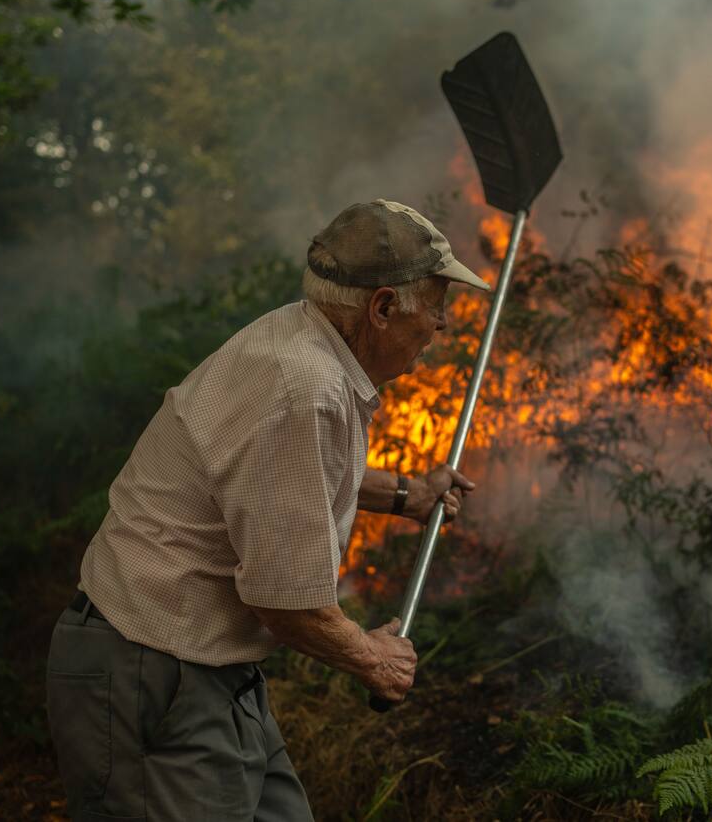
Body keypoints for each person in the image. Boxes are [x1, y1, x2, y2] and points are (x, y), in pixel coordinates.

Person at [46, 199, 488, 821]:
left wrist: (403, 494)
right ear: (382, 307)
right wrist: (371, 658)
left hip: (209, 670)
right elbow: (283, 599)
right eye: (436, 305)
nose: (442, 324)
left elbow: (283, 477)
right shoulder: (302, 386)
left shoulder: (307, 339)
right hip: (151, 671)